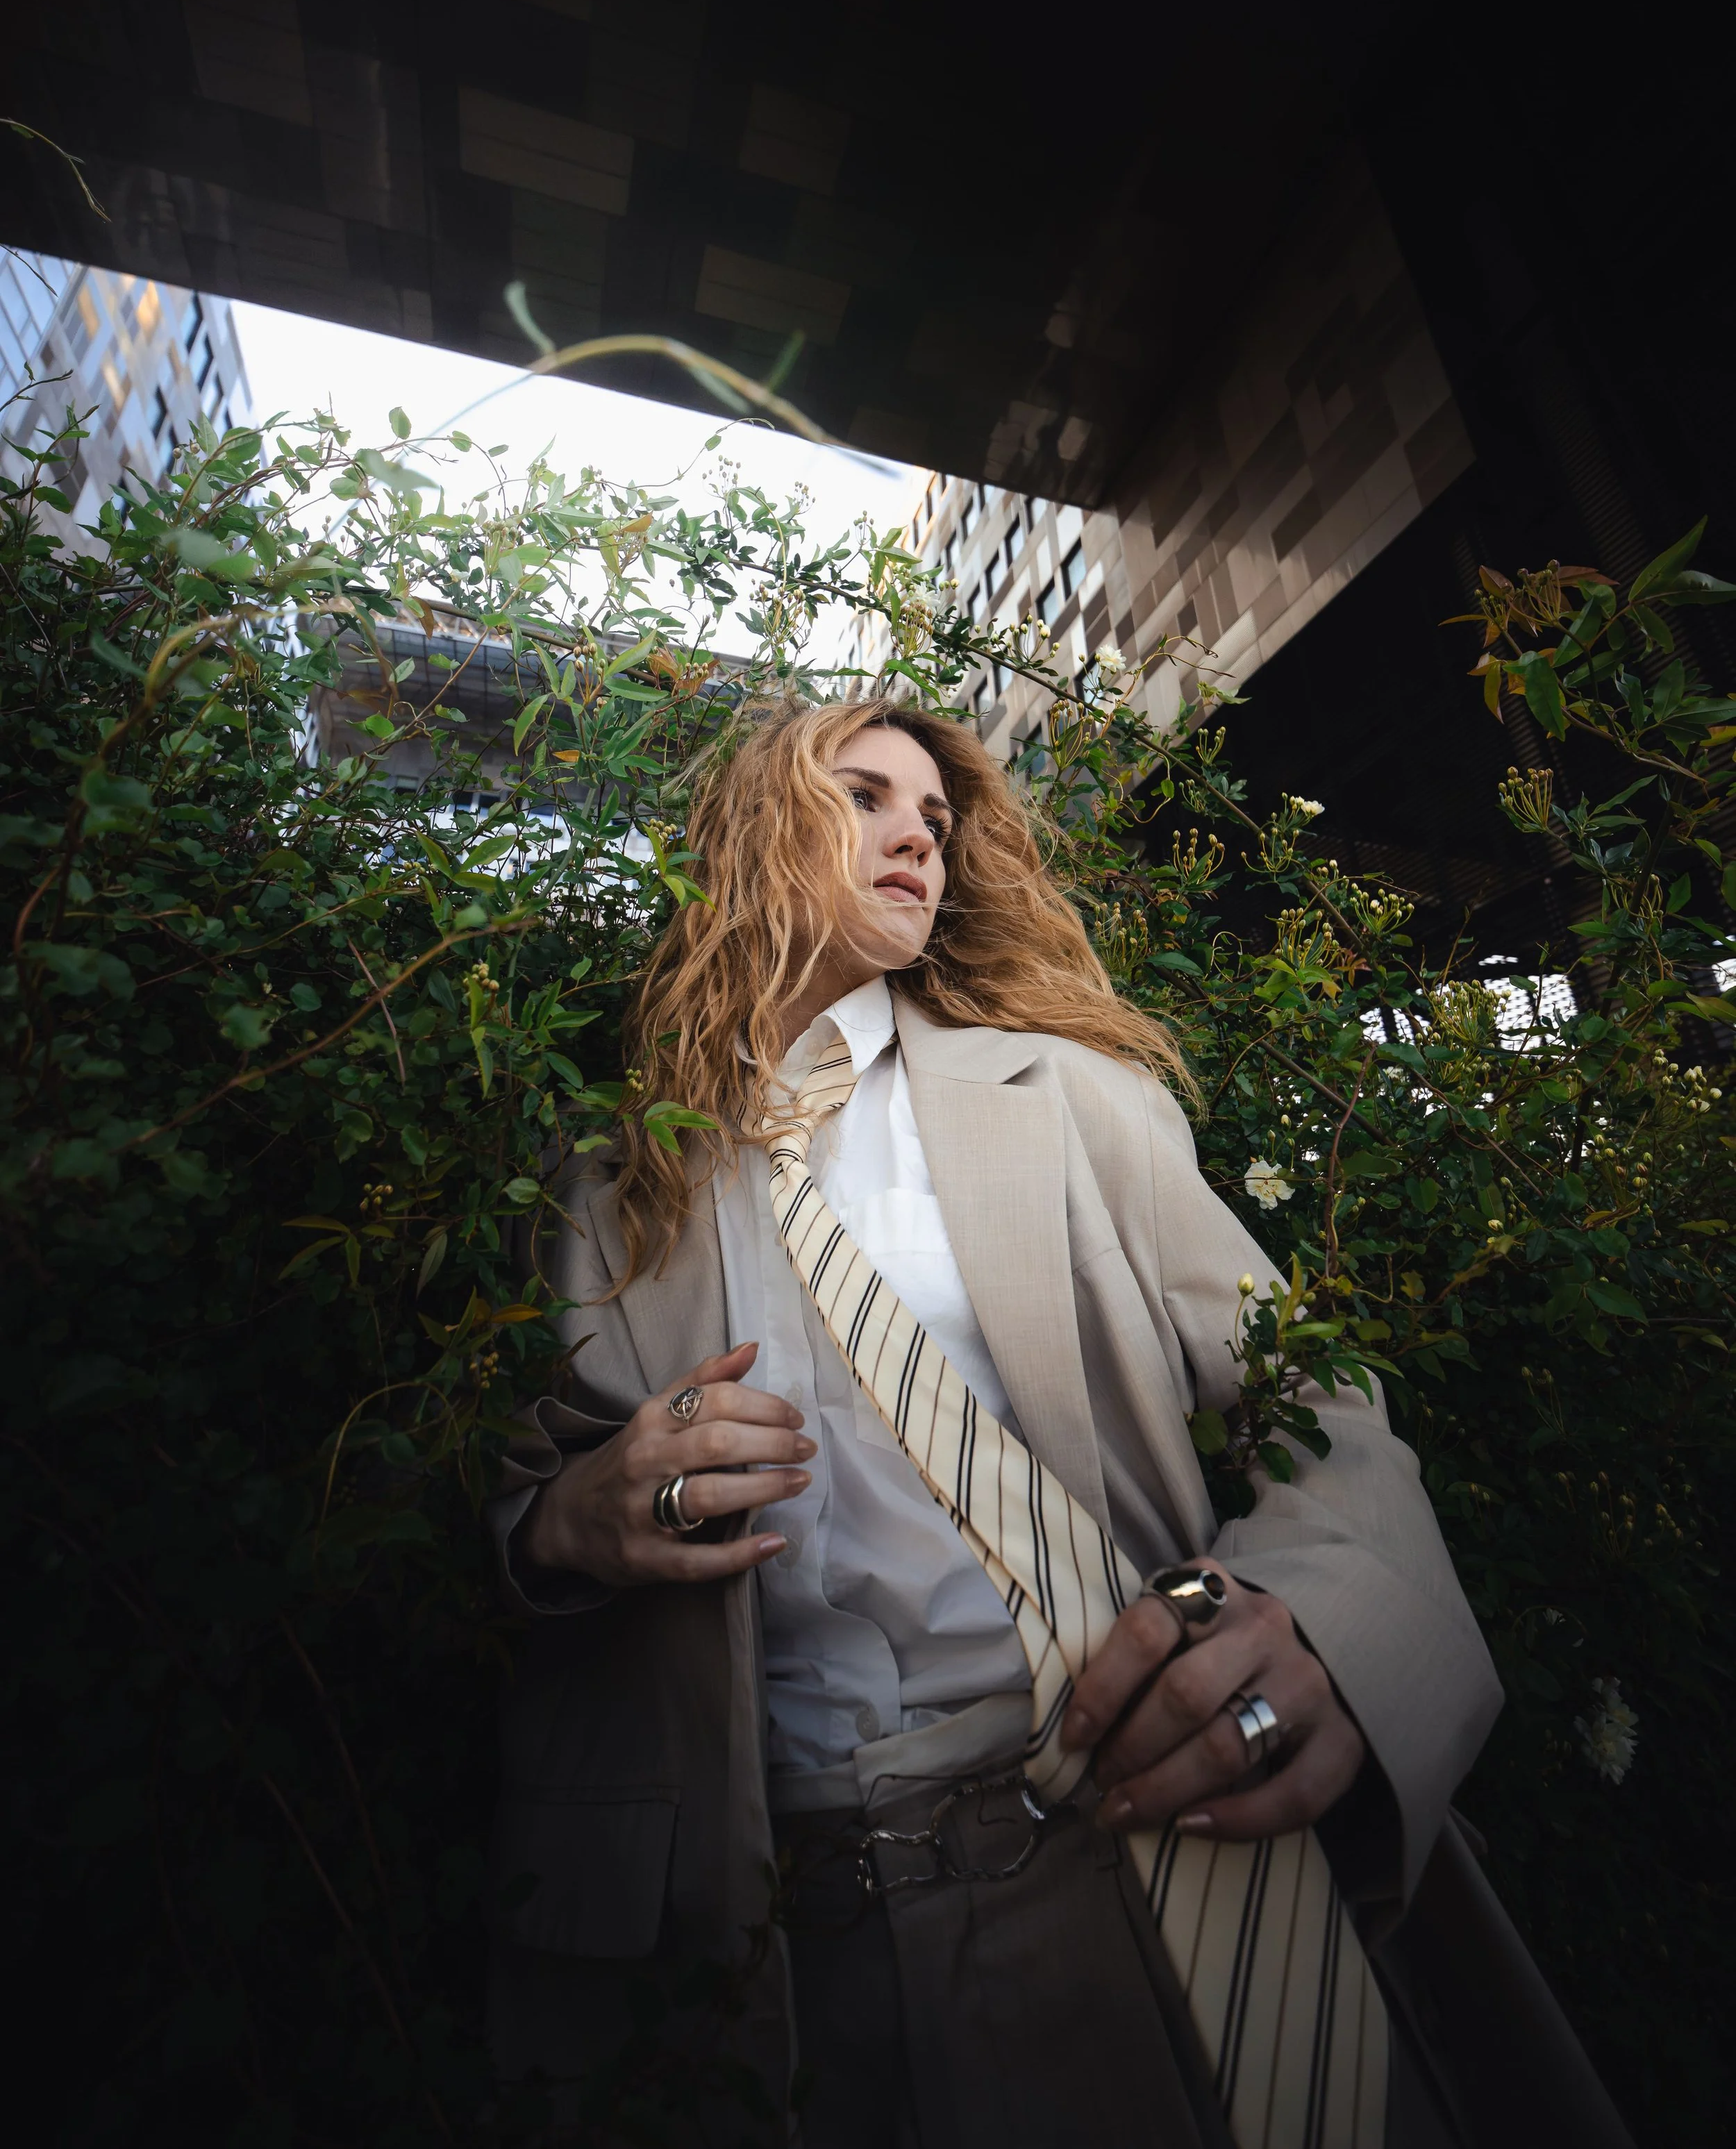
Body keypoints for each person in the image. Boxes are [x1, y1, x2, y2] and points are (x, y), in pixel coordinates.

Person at [485, 700, 1630, 2148]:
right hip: (762, 1945)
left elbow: (1317, 1403)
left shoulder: (1077, 1100)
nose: (916, 831)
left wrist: (1323, 1616)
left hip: (1134, 1851)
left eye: (936, 817)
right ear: (750, 831)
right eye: (861, 794)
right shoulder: (603, 1176)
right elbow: (515, 1502)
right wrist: (574, 1518)